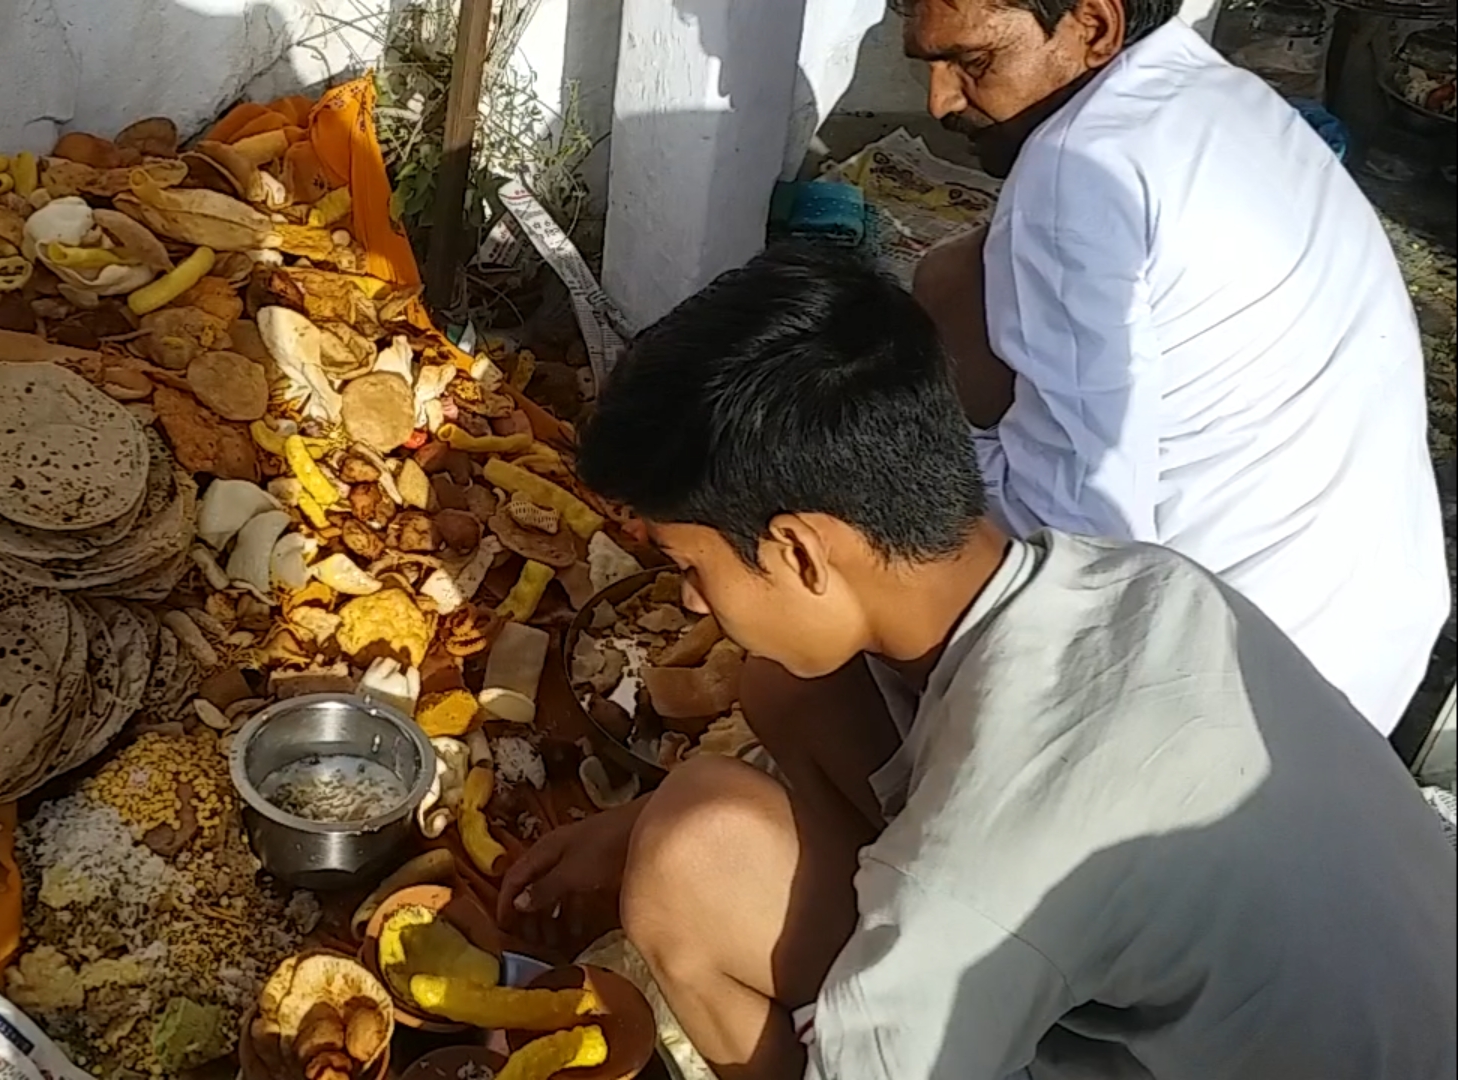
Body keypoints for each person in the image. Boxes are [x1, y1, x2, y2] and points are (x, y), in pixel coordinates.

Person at [501, 245, 1456, 1080]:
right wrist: (623, 824)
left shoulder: (983, 866)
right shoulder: (1141, 580)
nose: (693, 602)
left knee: (694, 855)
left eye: (690, 567)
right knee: (784, 688)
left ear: (796, 550)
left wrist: (658, 843)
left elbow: (980, 869)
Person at [899, 0, 1448, 734]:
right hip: (1371, 648)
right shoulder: (1221, 94)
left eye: (972, 63)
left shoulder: (1075, 166)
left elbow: (1078, 532)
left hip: (1235, 702)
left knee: (810, 657)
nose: (940, 102)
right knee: (954, 276)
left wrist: (884, 467)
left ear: (1094, 27)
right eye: (928, 65)